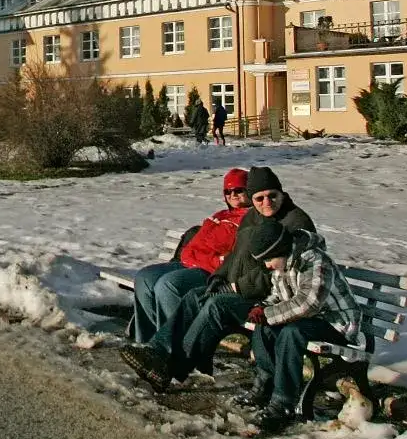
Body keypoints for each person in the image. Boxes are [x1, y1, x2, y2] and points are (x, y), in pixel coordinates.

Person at [120, 166, 316, 393]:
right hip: (241, 287)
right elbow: (236, 255)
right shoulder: (252, 216)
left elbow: (279, 272)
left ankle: (173, 367)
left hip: (272, 297)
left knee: (215, 305)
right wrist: (218, 276)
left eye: (272, 196)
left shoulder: (296, 222)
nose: (266, 202)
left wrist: (236, 286)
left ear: (282, 193)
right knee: (195, 297)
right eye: (259, 198)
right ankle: (157, 350)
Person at [236, 222, 361, 434]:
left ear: (280, 249)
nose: (267, 265)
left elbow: (308, 303)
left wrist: (269, 314)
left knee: (291, 333)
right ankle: (265, 386)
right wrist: (263, 307)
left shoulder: (314, 261)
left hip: (336, 323)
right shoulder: (283, 264)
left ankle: (283, 403)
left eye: (268, 259)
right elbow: (279, 296)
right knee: (264, 329)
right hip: (307, 320)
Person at [130, 168, 251, 343]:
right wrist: (193, 256)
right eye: (228, 191)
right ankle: (146, 341)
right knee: (145, 277)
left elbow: (231, 259)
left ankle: (171, 346)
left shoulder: (251, 220)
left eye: (238, 190)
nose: (233, 195)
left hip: (212, 272)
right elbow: (193, 245)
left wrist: (202, 258)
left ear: (249, 190)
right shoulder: (221, 215)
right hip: (190, 262)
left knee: (168, 285)